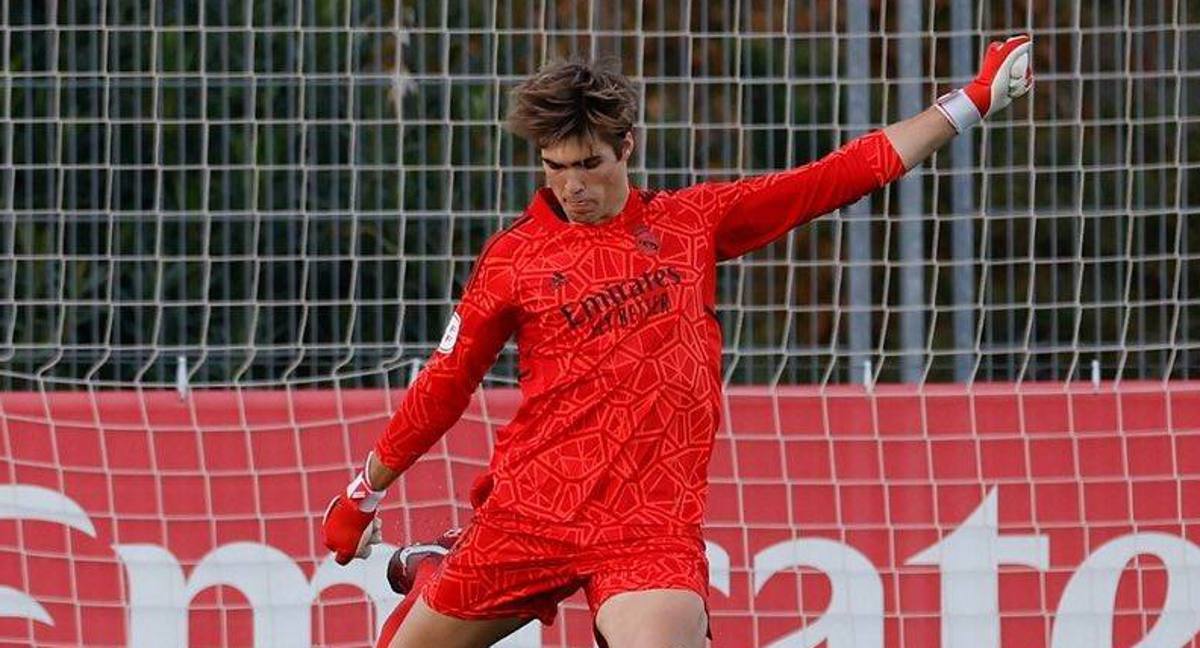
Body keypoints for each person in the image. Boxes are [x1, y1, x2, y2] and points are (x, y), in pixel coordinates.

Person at [324, 35, 1035, 648]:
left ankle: (433, 562)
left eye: (590, 164)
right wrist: (363, 493)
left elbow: (832, 179)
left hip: (647, 525)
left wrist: (970, 99)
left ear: (626, 146)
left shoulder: (691, 223)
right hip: (531, 513)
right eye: (555, 167)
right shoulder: (514, 259)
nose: (574, 187)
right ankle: (437, 566)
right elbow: (445, 386)